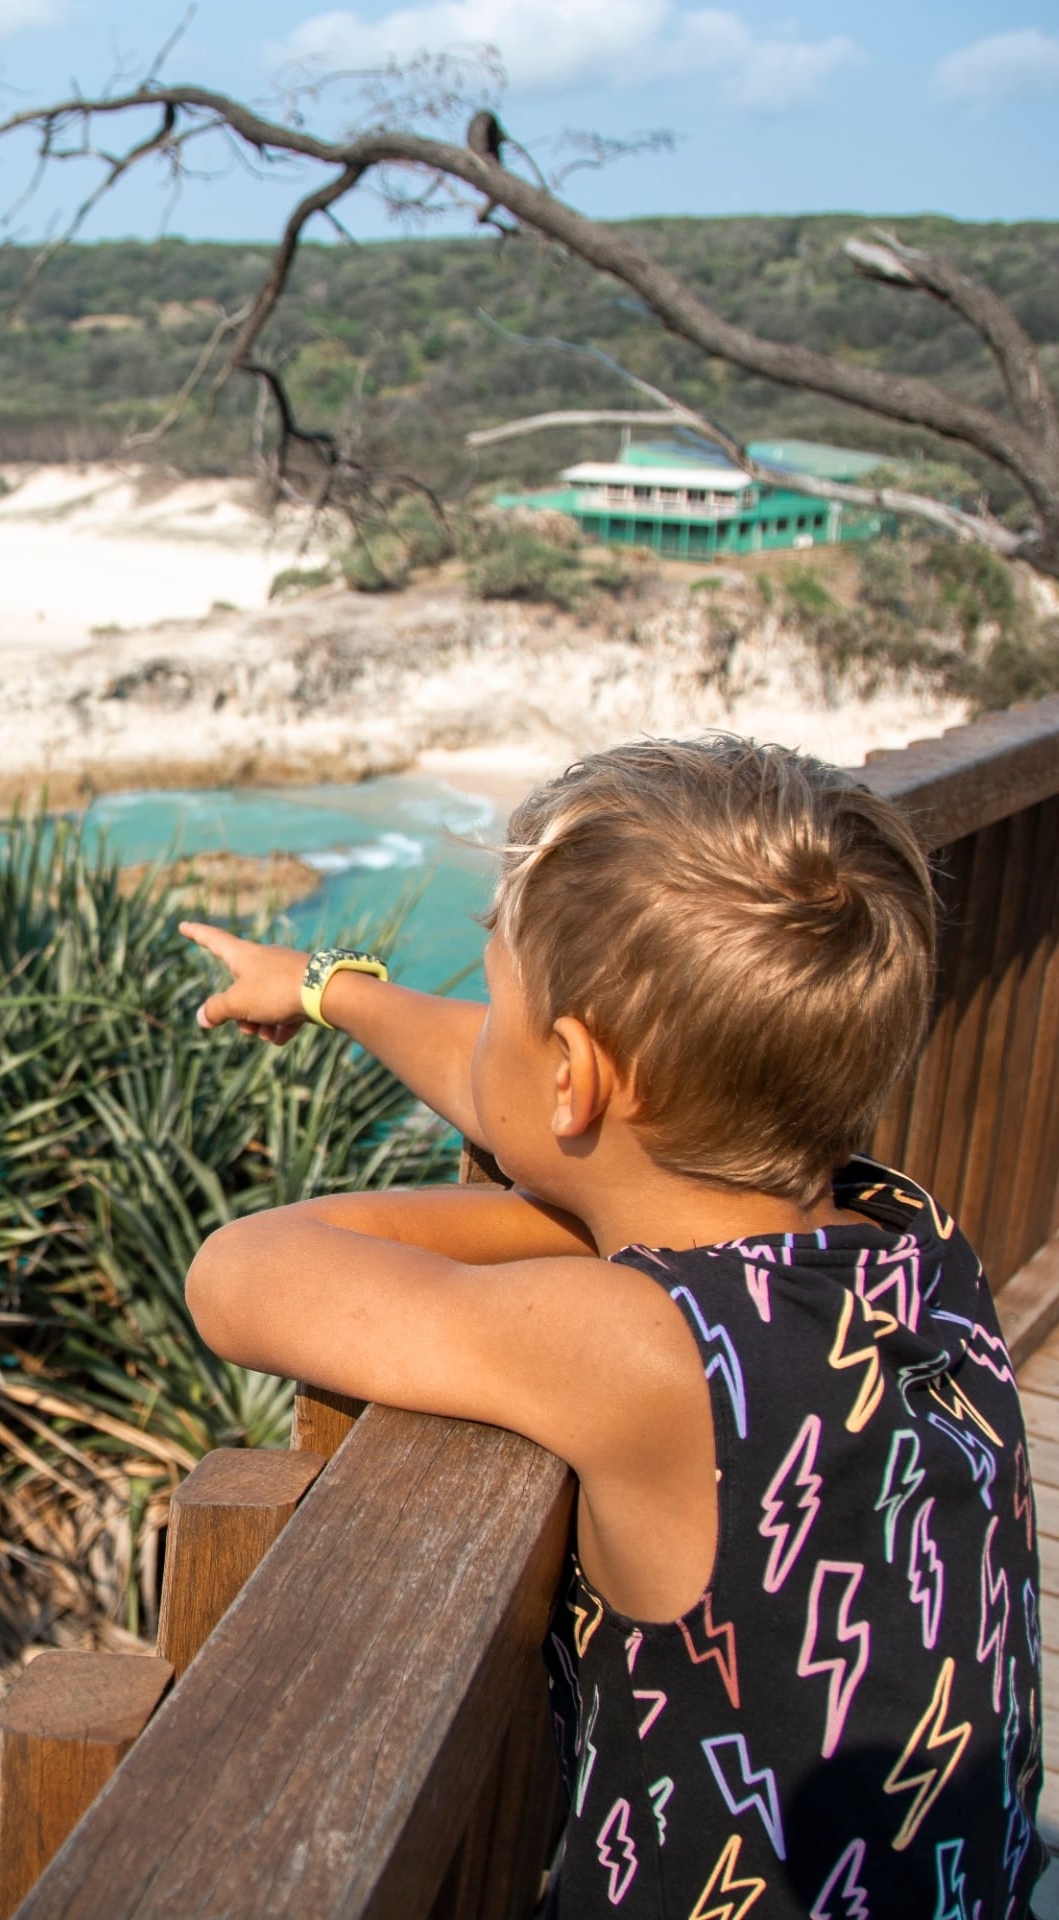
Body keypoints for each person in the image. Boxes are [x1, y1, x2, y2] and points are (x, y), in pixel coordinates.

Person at [182, 736, 1043, 1917]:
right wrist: (333, 989)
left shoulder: (647, 1348)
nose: (479, 1036)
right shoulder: (915, 1240)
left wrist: (559, 1225)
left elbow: (240, 1273)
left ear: (577, 1079)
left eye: (496, 1007)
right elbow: (532, 1100)